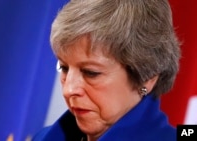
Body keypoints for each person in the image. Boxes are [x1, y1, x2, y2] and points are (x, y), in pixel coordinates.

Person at [33, 0, 181, 140]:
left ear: (147, 78)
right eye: (64, 68)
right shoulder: (43, 137)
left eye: (91, 73)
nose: (68, 90)